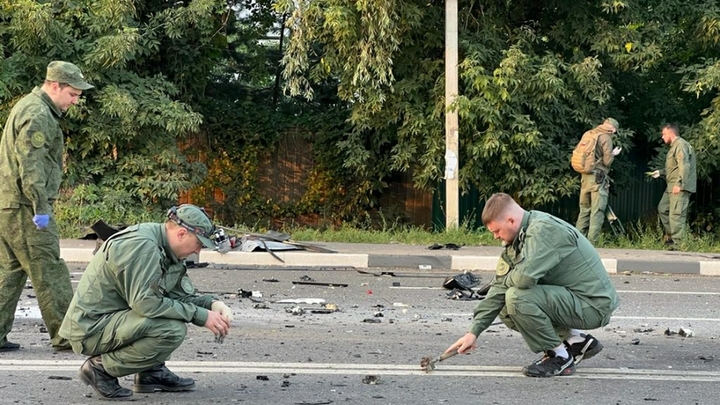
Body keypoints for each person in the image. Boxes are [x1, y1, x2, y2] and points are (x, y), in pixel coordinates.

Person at [59, 204, 234, 400]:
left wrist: (212, 305)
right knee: (171, 329)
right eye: (199, 243)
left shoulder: (168, 249)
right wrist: (199, 316)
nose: (198, 250)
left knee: (170, 316)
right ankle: (100, 369)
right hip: (90, 328)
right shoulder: (144, 247)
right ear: (182, 233)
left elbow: (177, 296)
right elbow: (146, 303)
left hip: (114, 320)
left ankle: (151, 372)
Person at [445, 193, 619, 377]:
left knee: (517, 297)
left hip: (592, 305)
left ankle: (559, 357)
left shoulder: (544, 231)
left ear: (511, 221)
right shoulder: (519, 237)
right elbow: (499, 287)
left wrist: (506, 282)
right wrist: (473, 332)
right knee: (504, 304)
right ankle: (575, 340)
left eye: (497, 231)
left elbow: (523, 279)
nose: (495, 237)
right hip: (573, 299)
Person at [0, 61, 93, 352]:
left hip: (9, 205)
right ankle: (67, 335)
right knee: (49, 270)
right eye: (73, 94)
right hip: (26, 207)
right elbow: (31, 165)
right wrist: (40, 207)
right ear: (55, 86)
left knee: (10, 272)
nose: (75, 101)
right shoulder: (39, 114)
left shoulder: (29, 106)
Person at [575, 118, 622, 244]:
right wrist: (613, 154)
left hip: (585, 176)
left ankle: (578, 243)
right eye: (614, 131)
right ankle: (591, 244)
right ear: (612, 129)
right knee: (597, 211)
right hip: (598, 178)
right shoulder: (606, 138)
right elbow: (607, 161)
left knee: (584, 210)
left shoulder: (588, 134)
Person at [649, 123, 697, 249]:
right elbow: (674, 167)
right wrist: (660, 172)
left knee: (676, 215)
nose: (662, 137)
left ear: (671, 133)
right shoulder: (674, 146)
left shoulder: (680, 145)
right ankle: (673, 237)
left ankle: (679, 246)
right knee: (663, 208)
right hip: (671, 186)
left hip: (678, 187)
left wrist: (679, 184)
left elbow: (684, 166)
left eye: (664, 134)